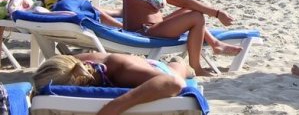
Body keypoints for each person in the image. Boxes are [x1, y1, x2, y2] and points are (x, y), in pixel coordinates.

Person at [31, 53, 194, 115]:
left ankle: (180, 63)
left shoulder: (119, 70)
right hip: (137, 66)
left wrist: (117, 105)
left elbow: (175, 83)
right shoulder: (70, 64)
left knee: (177, 70)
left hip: (157, 70)